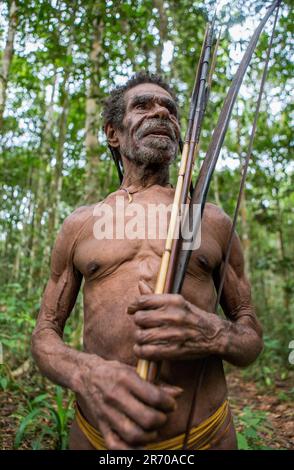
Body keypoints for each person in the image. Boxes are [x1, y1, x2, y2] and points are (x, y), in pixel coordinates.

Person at [31, 71, 263, 450]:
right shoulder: (81, 224)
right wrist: (84, 371)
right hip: (98, 439)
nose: (162, 113)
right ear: (113, 134)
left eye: (170, 109)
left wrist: (214, 332)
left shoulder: (212, 221)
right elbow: (45, 333)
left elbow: (251, 335)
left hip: (206, 435)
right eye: (143, 105)